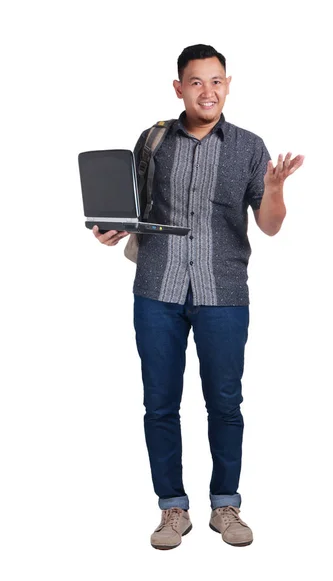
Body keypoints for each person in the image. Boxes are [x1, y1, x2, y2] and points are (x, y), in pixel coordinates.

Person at [92, 44, 304, 550]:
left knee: (225, 404)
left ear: (228, 84)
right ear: (178, 87)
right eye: (196, 82)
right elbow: (133, 207)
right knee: (159, 404)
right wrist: (111, 229)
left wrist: (274, 189)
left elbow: (270, 227)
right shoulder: (153, 141)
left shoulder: (250, 148)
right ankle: (172, 510)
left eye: (217, 81)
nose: (207, 92)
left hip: (223, 292)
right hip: (157, 289)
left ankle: (225, 505)